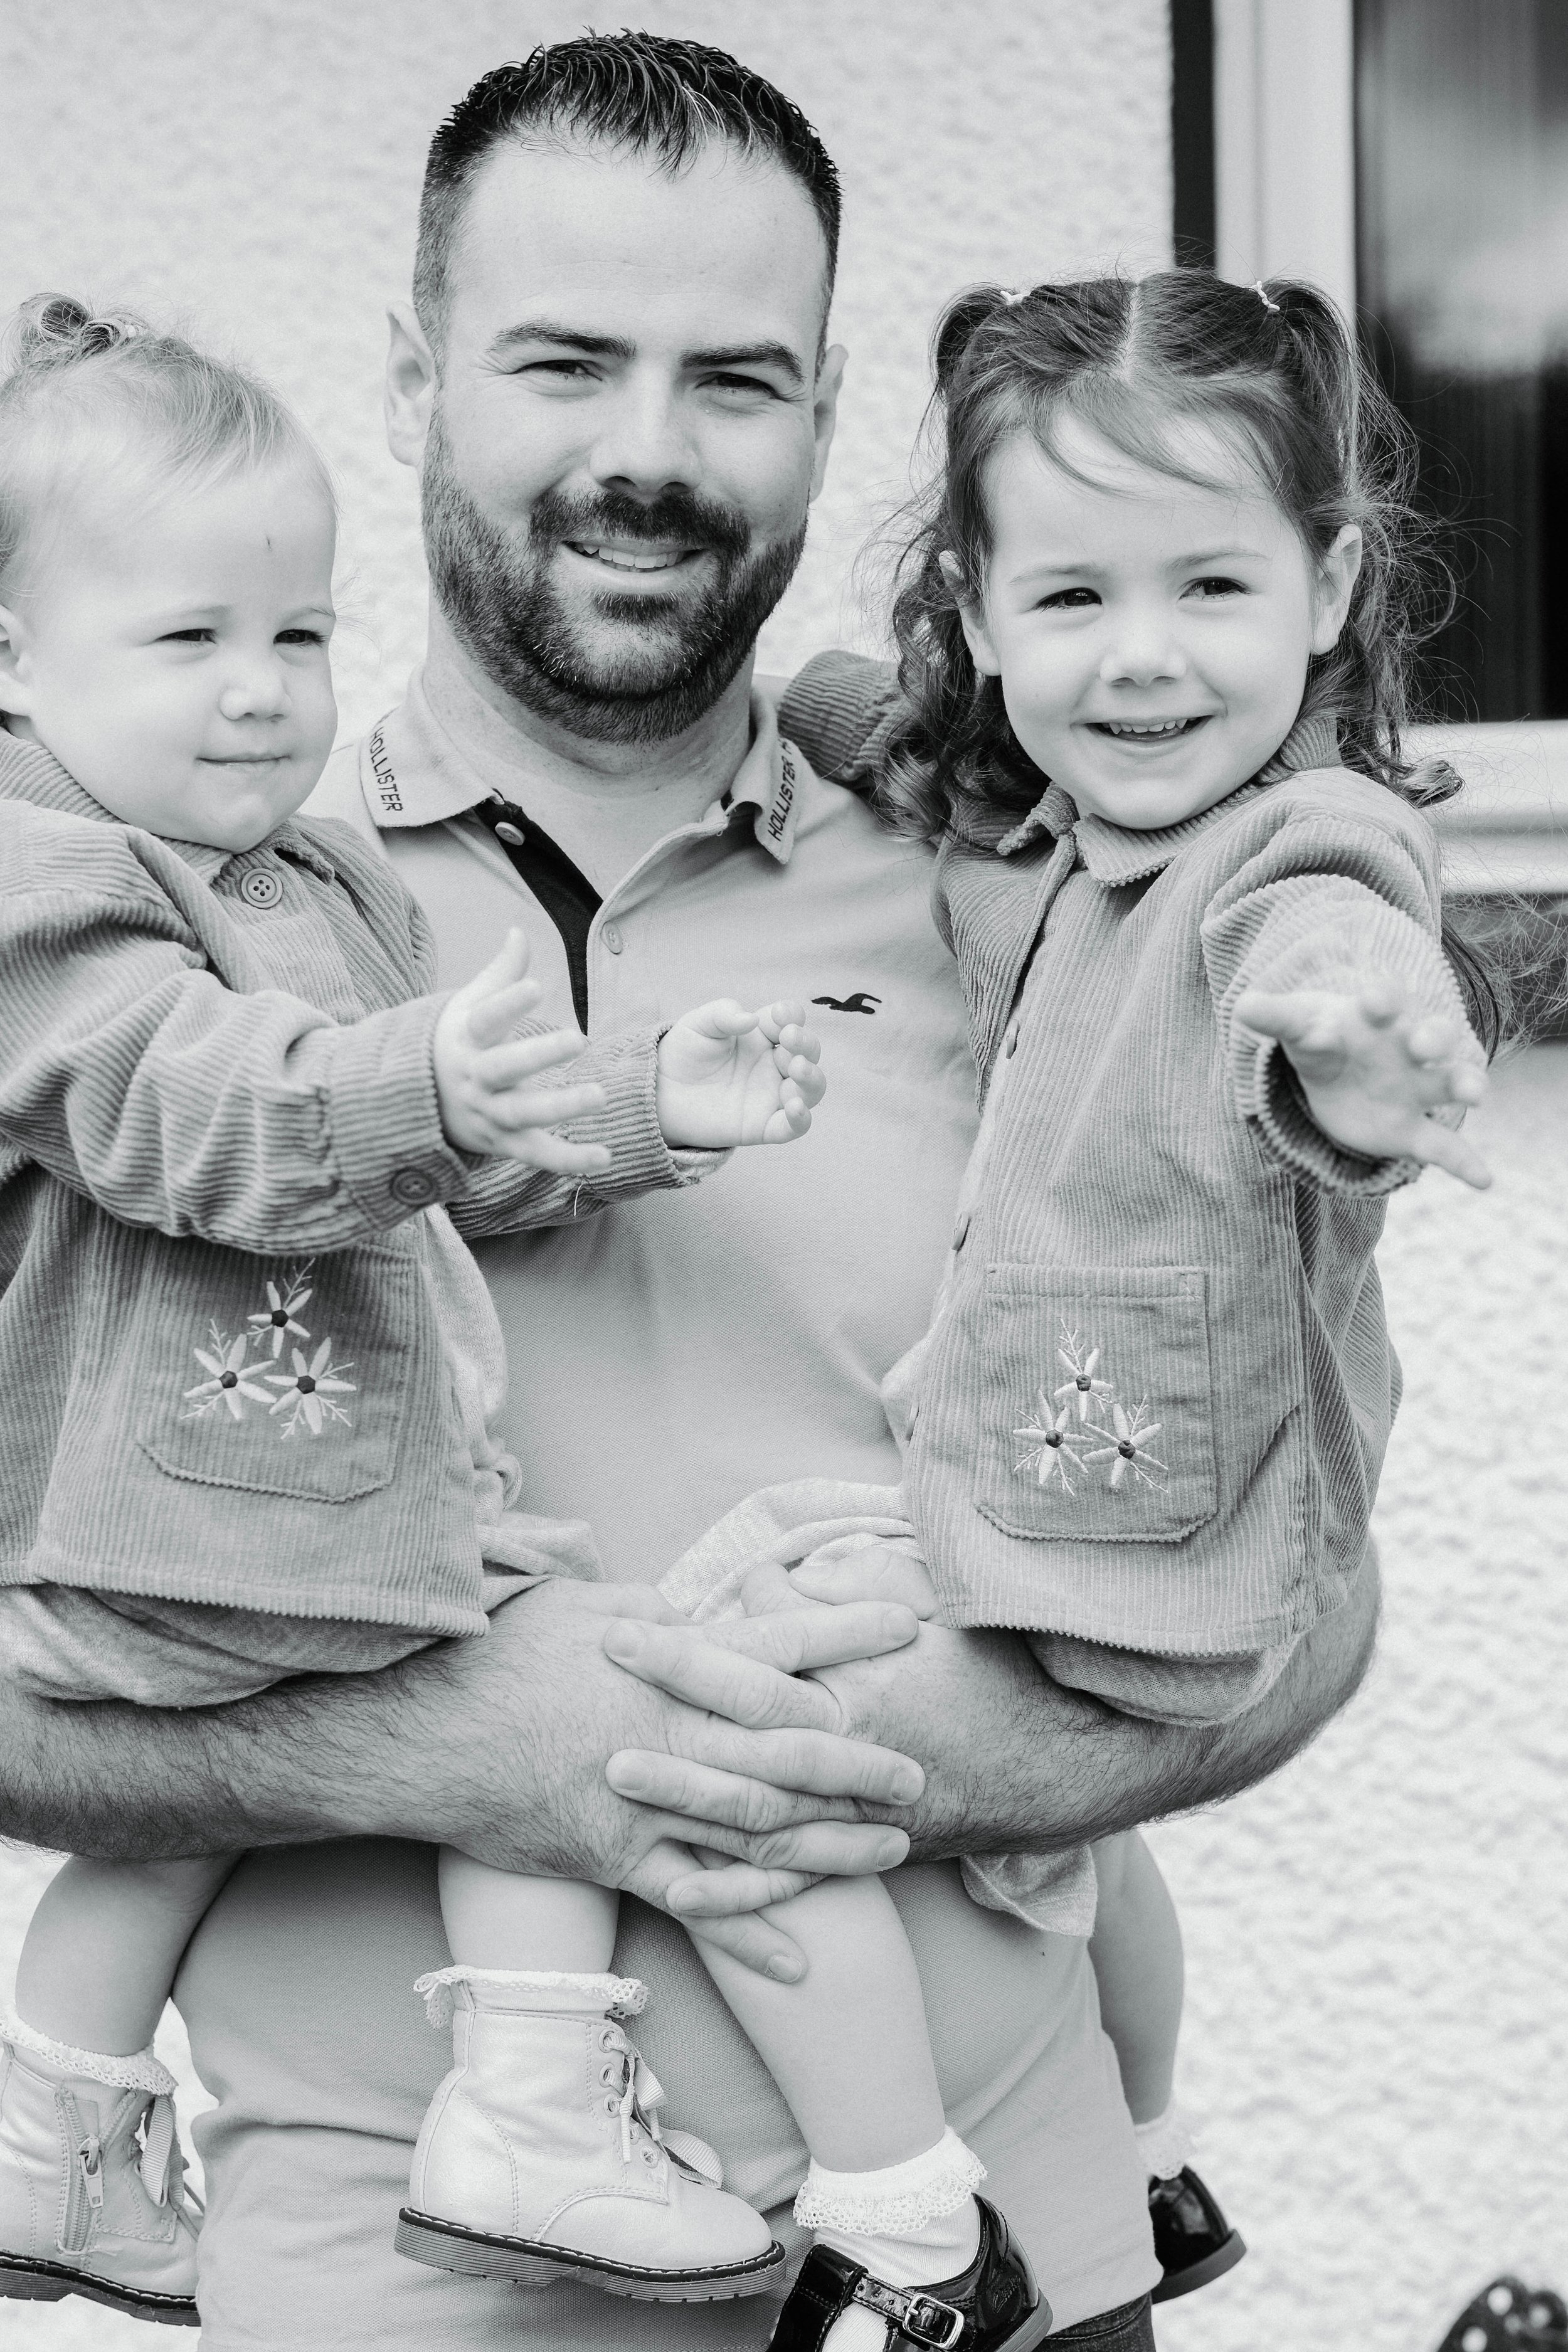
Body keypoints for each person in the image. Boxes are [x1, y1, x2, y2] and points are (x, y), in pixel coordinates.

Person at [0, 38, 1380, 2352]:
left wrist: (912, 1743)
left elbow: (1304, 1575)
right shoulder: (161, 969)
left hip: (1013, 2259)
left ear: (829, 409)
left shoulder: (1051, 901)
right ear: (419, 370)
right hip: (394, 2288)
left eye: (732, 376)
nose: (647, 450)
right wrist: (487, 1749)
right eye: (564, 360)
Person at [0, 290, 835, 2324]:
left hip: (244, 1492)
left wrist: (638, 1101)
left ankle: (50, 2133)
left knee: (185, 1822)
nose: (264, 692)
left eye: (296, 635)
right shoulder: (47, 888)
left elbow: (443, 1156)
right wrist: (414, 1085)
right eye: (188, 640)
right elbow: (193, 1113)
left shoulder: (318, 880)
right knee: (551, 1690)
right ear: (11, 660)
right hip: (162, 1495)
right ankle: (535, 2104)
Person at [709, 265, 1497, 2344]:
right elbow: (900, 753)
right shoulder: (1056, 844)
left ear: (1328, 589)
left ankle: (900, 2232)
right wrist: (800, 710)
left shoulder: (1283, 854)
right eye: (1066, 603)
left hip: (1160, 1579)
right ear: (975, 615)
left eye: (1206, 590)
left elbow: (1327, 941)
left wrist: (1363, 1027)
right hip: (1070, 1527)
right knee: (1069, 1859)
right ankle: (1146, 2163)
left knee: (730, 1759)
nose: (1139, 663)